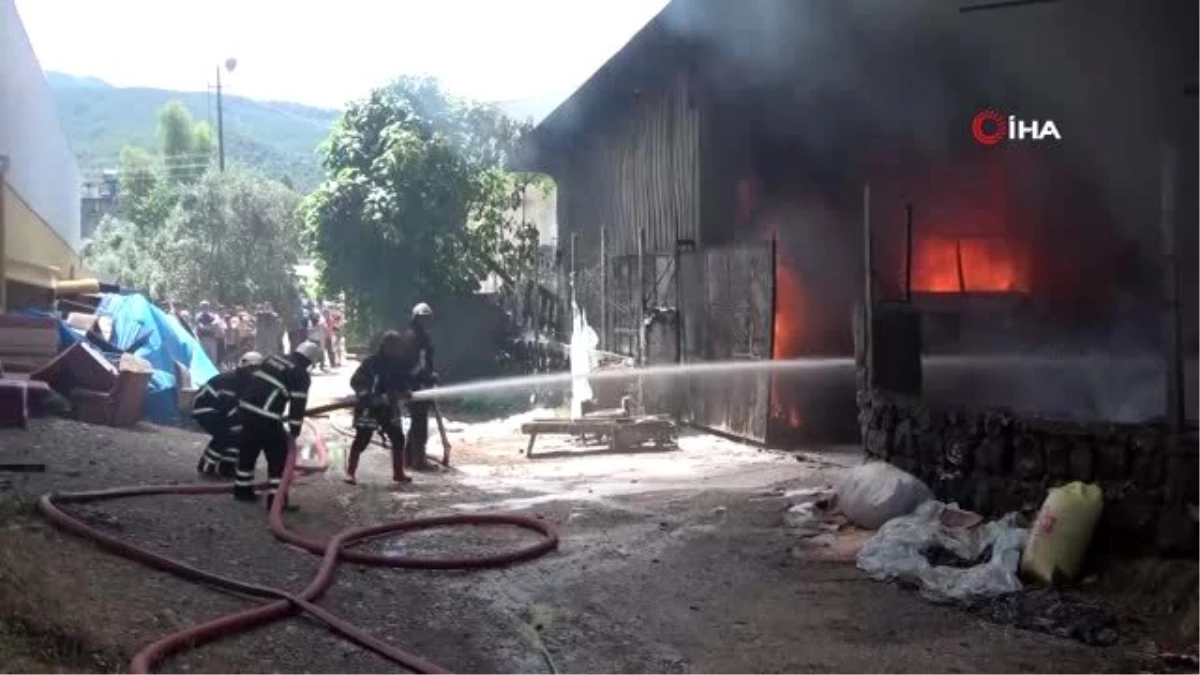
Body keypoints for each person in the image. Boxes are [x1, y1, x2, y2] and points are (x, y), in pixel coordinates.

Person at [233, 341, 321, 509]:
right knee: (278, 457)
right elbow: (298, 404)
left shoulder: (273, 358)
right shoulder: (300, 374)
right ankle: (277, 501)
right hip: (266, 417)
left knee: (248, 450)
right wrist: (294, 430)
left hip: (245, 409)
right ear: (310, 360)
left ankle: (242, 490)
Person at [344, 331, 414, 485]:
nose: (397, 350)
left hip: (389, 407)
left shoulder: (400, 364)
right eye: (394, 347)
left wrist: (406, 391)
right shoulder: (371, 363)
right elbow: (355, 381)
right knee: (362, 439)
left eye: (398, 347)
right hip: (369, 408)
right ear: (386, 346)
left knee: (398, 438)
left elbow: (404, 382)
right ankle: (350, 473)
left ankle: (398, 473)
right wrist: (367, 395)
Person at [193, 351, 264, 478]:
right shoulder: (234, 381)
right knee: (225, 435)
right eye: (252, 369)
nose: (255, 373)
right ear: (246, 368)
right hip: (205, 410)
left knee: (237, 436)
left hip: (218, 410)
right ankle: (206, 466)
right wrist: (238, 426)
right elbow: (232, 406)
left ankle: (227, 467)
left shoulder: (244, 380)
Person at [400, 302, 438, 470]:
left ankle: (408, 458)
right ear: (416, 318)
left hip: (416, 383)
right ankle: (419, 460)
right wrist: (428, 376)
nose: (426, 321)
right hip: (417, 385)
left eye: (427, 318)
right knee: (420, 423)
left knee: (417, 421)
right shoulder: (417, 338)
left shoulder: (414, 335)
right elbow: (417, 364)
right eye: (423, 318)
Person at [194, 301, 224, 368]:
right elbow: (200, 326)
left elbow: (216, 323)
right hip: (203, 339)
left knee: (213, 359)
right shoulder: (198, 316)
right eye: (203, 306)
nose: (205, 307)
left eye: (206, 306)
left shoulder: (213, 316)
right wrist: (209, 327)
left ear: (209, 307)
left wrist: (207, 327)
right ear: (201, 307)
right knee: (204, 357)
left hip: (212, 339)